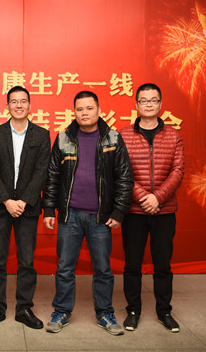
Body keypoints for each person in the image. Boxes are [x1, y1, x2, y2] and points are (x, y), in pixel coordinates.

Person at [42, 90, 133, 336]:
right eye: (79, 109)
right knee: (64, 267)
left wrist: (119, 211)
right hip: (69, 215)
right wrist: (49, 208)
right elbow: (52, 176)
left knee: (103, 269)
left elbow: (124, 177)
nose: (84, 113)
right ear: (74, 112)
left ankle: (105, 313)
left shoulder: (113, 138)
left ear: (99, 111)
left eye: (89, 108)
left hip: (101, 217)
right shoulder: (63, 138)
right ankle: (61, 312)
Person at [0, 86, 51, 330]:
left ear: (30, 105)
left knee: (27, 261)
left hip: (27, 208)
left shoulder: (41, 135)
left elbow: (42, 171)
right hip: (0, 207)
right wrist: (7, 201)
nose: (19, 105)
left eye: (23, 101)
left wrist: (23, 200)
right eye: (14, 101)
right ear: (7, 106)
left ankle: (24, 308)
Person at [119, 83, 184, 333]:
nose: (149, 104)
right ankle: (133, 311)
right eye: (144, 100)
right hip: (134, 213)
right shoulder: (124, 135)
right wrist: (143, 197)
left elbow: (178, 171)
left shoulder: (173, 135)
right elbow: (121, 172)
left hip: (164, 211)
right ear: (136, 104)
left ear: (160, 104)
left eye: (153, 100)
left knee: (163, 265)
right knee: (132, 265)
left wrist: (158, 198)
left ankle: (164, 311)